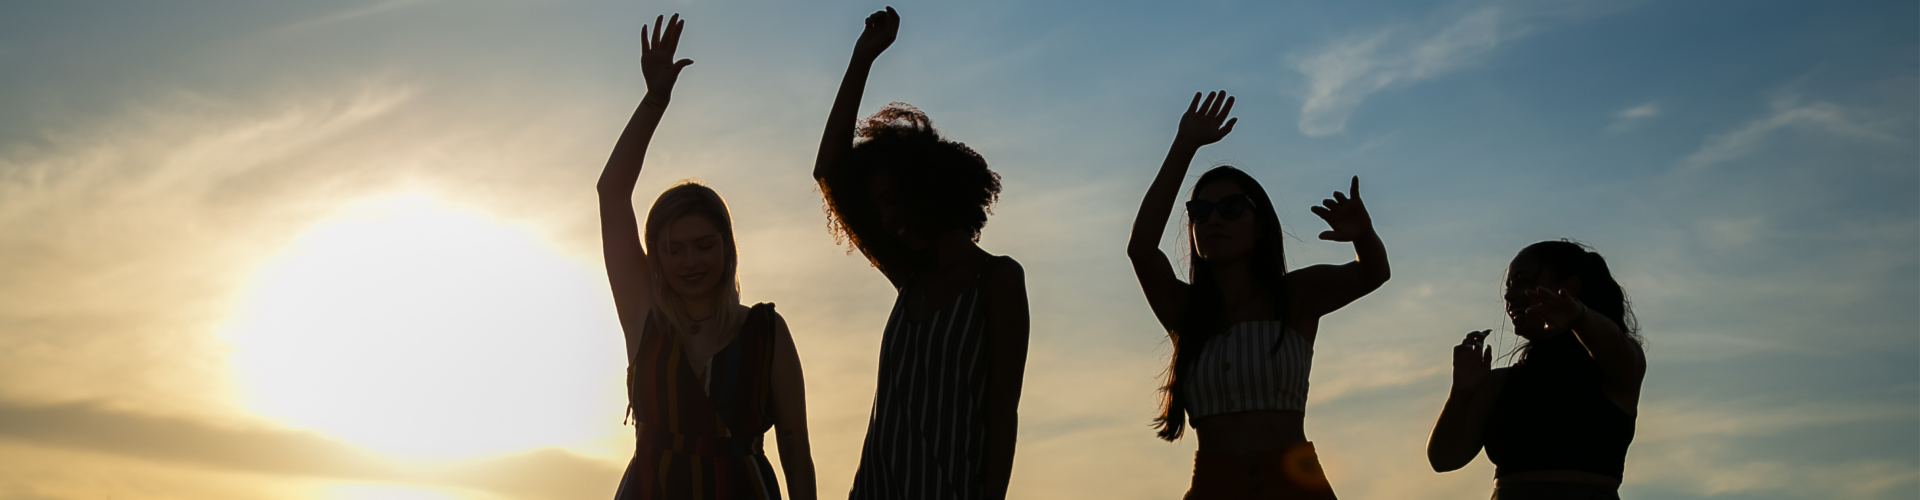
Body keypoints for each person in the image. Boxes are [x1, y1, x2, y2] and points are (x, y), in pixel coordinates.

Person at [811, 7, 1030, 500]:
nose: (886, 222)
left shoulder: (996, 280)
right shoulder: (909, 276)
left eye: (892, 201)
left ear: (927, 188)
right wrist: (861, 59)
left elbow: (1002, 414)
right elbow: (829, 172)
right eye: (878, 210)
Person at [1127, 91, 1391, 500]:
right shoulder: (1187, 311)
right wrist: (1184, 145)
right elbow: (1141, 250)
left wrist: (1364, 236)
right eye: (1199, 212)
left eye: (1231, 208)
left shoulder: (1297, 295)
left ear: (1261, 223)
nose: (1213, 219)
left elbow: (1373, 273)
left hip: (1296, 486)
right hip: (1214, 486)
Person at [598, 14, 816, 500]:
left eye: (703, 245)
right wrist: (655, 100)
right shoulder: (645, 319)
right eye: (673, 250)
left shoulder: (765, 332)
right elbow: (611, 193)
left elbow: (797, 456)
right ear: (656, 257)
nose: (689, 261)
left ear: (727, 247)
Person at [1426, 240, 1645, 500]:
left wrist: (1578, 316)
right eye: (1508, 286)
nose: (1509, 296)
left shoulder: (1614, 368)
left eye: (1522, 280)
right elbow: (1444, 459)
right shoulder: (1500, 382)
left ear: (1569, 288)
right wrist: (1460, 393)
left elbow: (1614, 344)